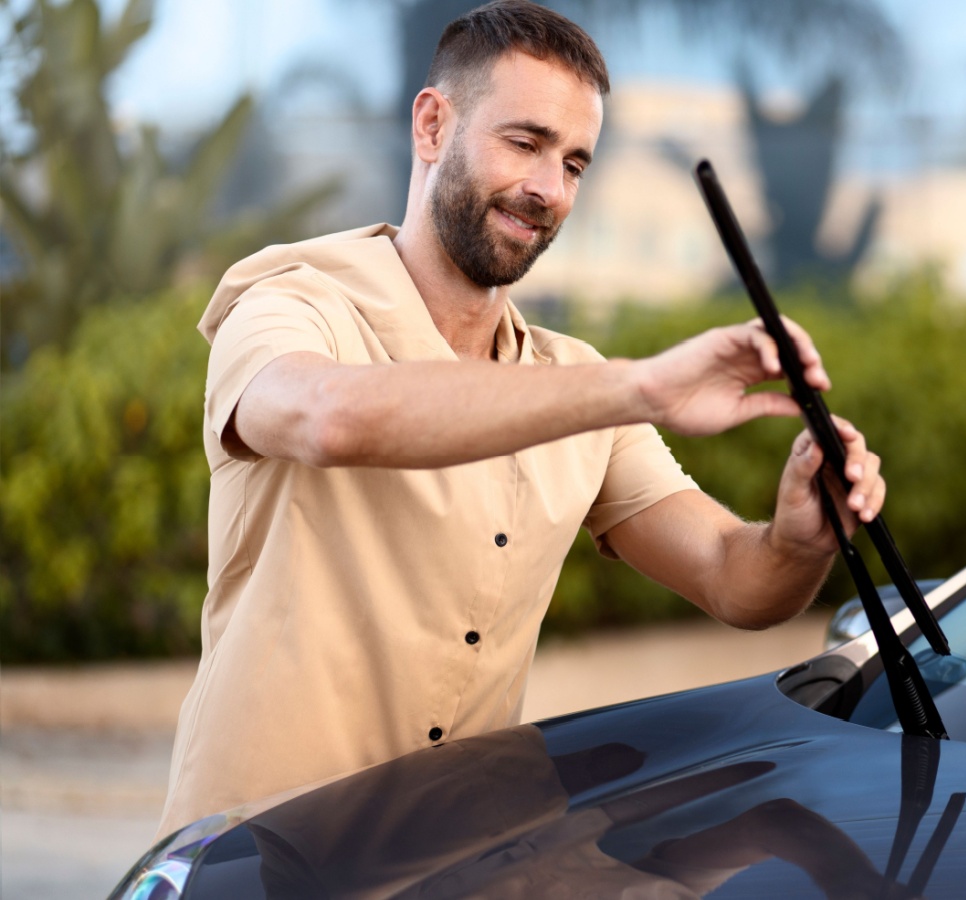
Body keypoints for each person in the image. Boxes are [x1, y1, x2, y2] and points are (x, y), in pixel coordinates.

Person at [158, 0, 886, 837]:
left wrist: (796, 540)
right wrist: (642, 387)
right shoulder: (289, 302)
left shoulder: (574, 383)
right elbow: (329, 417)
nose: (549, 189)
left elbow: (734, 579)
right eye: (526, 143)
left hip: (454, 859)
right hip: (255, 852)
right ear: (432, 125)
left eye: (576, 163)